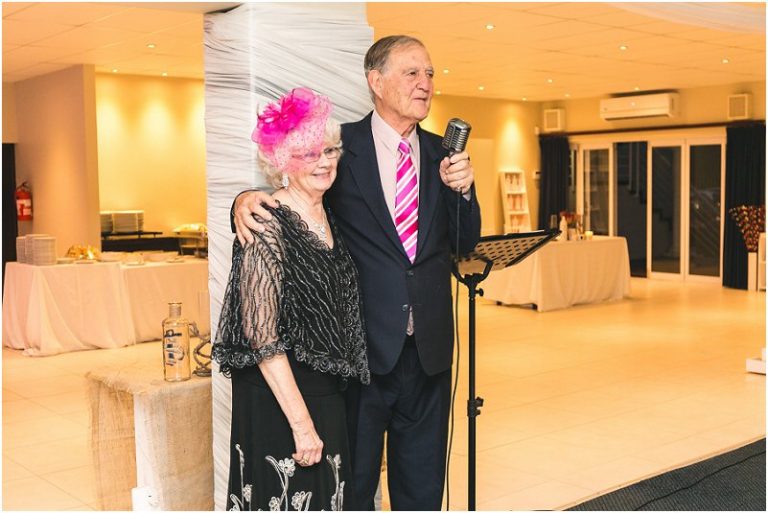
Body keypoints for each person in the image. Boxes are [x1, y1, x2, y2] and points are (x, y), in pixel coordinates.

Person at [231, 35, 481, 510]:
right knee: (354, 486)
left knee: (423, 488)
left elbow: (464, 245)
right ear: (376, 81)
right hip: (362, 356)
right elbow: (295, 194)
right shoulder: (339, 148)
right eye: (412, 72)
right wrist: (242, 201)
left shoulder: (442, 155)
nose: (425, 83)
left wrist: (464, 192)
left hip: (429, 353)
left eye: (430, 73)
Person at [213, 87, 370, 511]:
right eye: (309, 154)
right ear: (282, 161)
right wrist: (301, 424)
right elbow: (261, 335)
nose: (324, 161)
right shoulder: (266, 223)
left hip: (325, 393)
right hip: (281, 400)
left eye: (330, 150)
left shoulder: (327, 213)